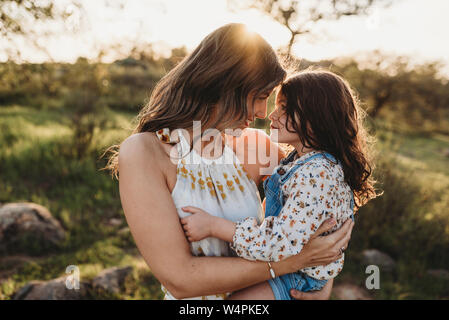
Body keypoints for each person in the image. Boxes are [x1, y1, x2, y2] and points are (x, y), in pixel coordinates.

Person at [104, 23, 354, 300]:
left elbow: (322, 204)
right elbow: (181, 279)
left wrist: (321, 286)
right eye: (259, 97)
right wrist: (291, 263)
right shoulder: (145, 152)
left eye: (269, 100)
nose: (262, 112)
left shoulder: (257, 146)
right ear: (224, 85)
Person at [180, 70, 377, 300]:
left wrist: (213, 226)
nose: (271, 115)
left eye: (284, 107)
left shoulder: (317, 174)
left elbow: (279, 242)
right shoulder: (302, 162)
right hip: (293, 270)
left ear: (316, 116)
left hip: (295, 278)